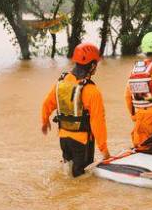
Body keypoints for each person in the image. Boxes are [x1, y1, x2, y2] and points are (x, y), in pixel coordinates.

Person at [40, 42, 111, 177]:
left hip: (63, 139)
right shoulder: (92, 91)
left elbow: (46, 104)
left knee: (68, 173)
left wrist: (44, 121)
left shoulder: (60, 83)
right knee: (81, 178)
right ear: (92, 65)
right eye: (96, 63)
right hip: (82, 142)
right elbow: (98, 123)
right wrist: (105, 151)